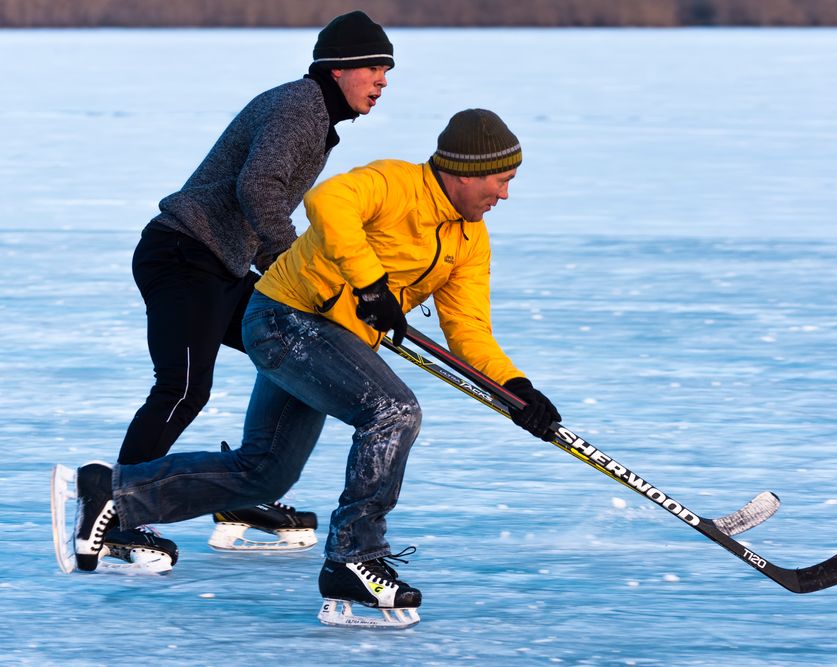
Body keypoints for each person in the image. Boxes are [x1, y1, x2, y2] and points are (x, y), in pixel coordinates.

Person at [58, 109, 561, 628]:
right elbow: (327, 200)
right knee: (393, 411)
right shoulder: (394, 183)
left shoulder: (468, 241)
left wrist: (518, 391)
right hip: (283, 318)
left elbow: (470, 331)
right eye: (501, 181)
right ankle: (353, 557)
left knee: (265, 471)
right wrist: (370, 284)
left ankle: (114, 495)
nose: (504, 195)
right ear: (464, 172)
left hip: (330, 342)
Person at [104, 10, 395, 568]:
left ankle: (239, 492)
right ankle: (118, 513)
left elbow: (258, 200)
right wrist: (295, 263)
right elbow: (257, 188)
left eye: (387, 70)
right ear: (337, 70)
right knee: (183, 387)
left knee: (285, 346)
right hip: (184, 254)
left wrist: (298, 283)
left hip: (222, 264)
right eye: (374, 68)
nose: (383, 81)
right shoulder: (298, 108)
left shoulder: (314, 116)